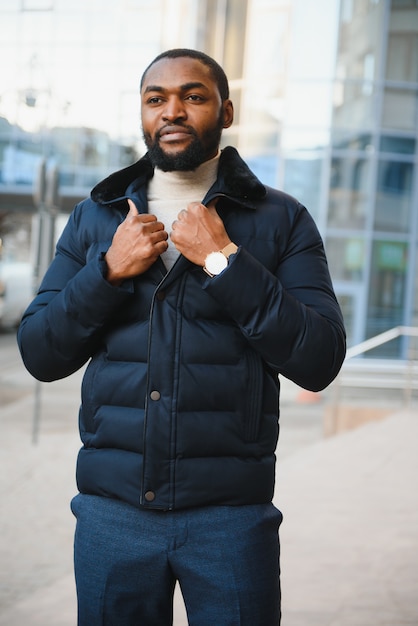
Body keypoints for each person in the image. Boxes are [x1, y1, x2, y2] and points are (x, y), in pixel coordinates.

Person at [17, 48, 346, 625]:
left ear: (226, 111)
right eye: (156, 99)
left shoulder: (281, 219)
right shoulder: (95, 219)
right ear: (142, 114)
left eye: (193, 97)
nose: (173, 111)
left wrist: (223, 261)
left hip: (230, 519)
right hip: (111, 515)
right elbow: (40, 353)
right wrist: (106, 272)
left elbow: (318, 359)